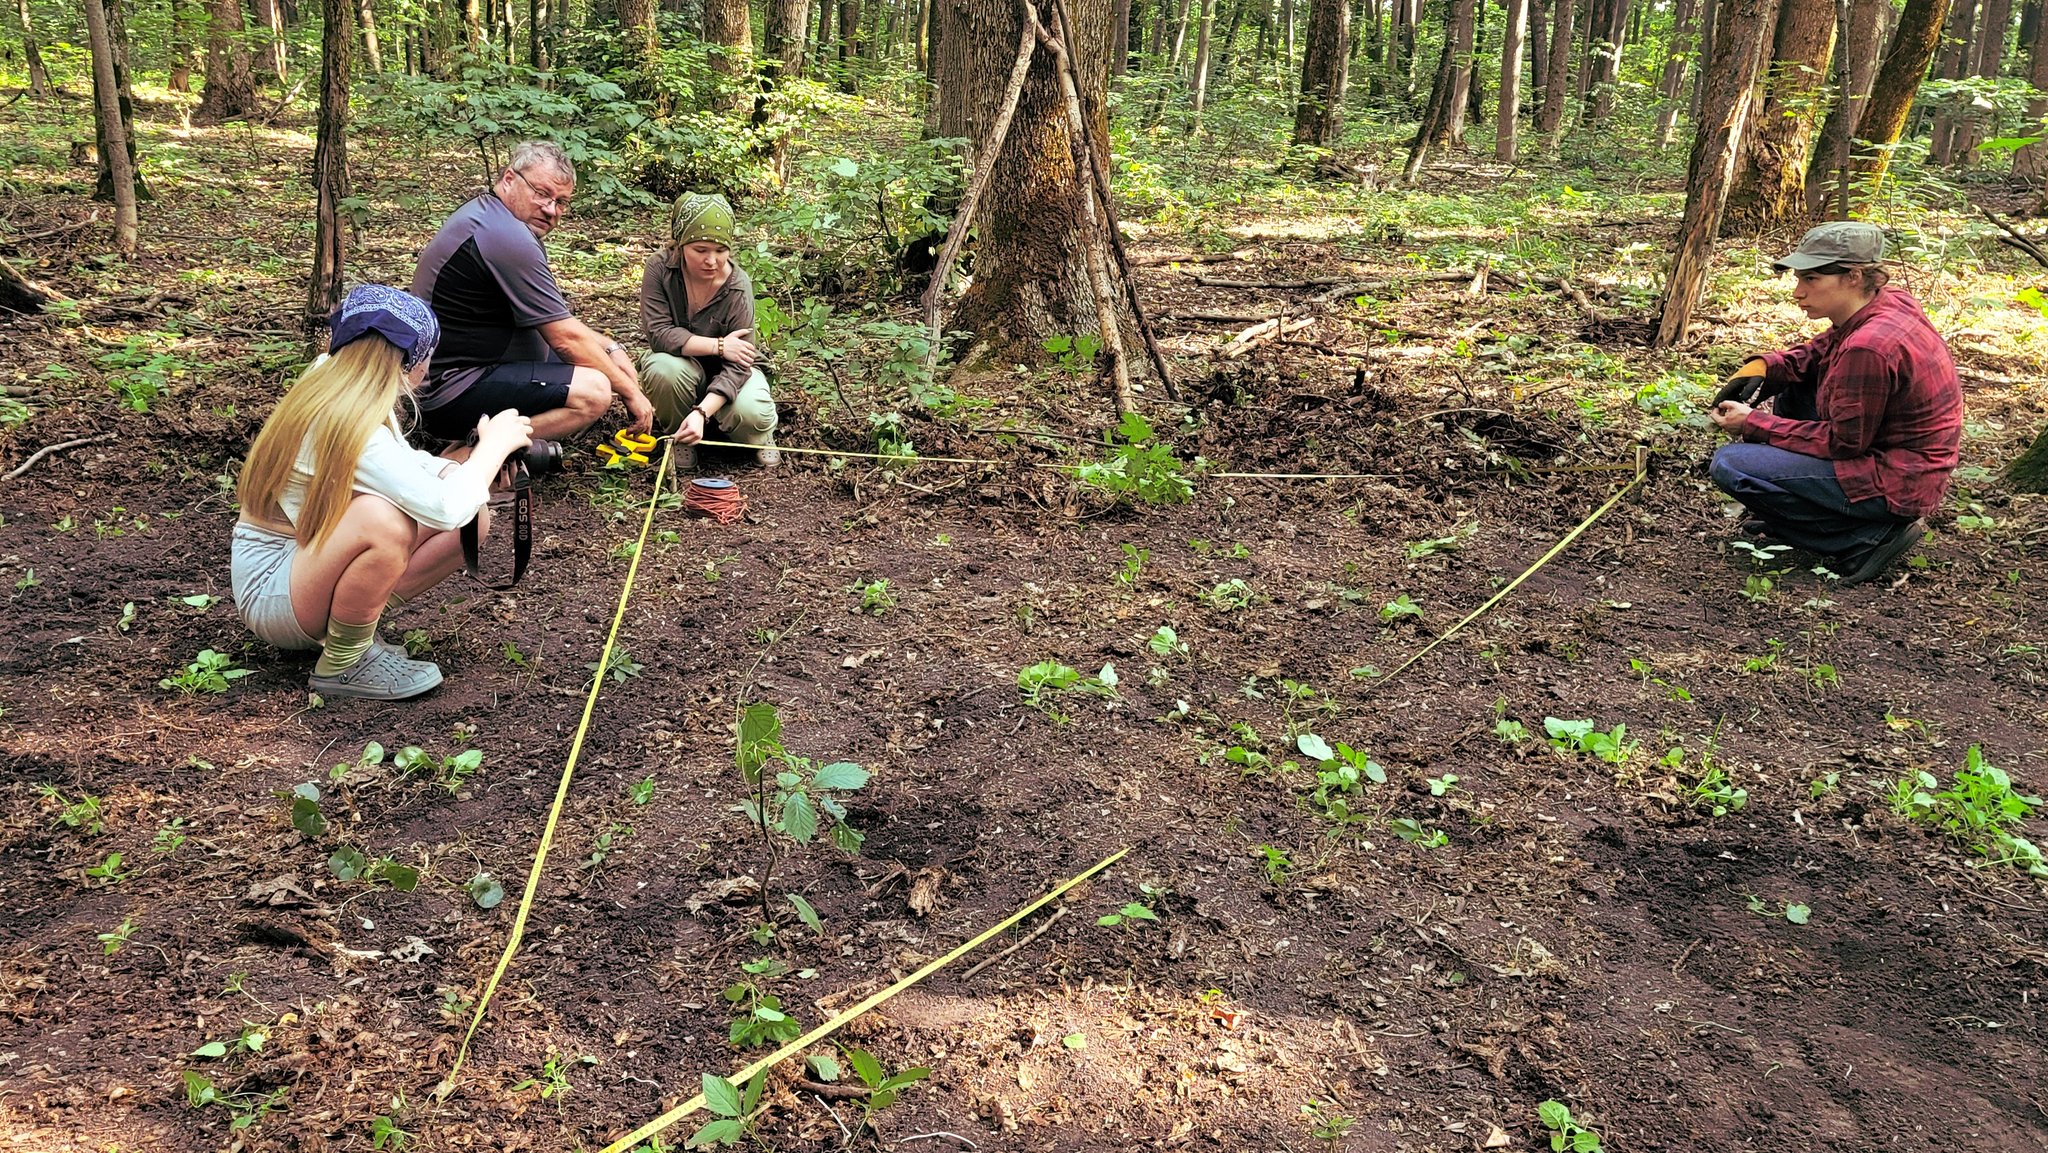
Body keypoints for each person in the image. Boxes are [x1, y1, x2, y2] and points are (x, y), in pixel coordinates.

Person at [232, 286, 535, 700]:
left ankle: (352, 629)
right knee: (382, 520)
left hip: (298, 569)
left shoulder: (334, 381)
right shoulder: (343, 419)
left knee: (472, 517)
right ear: (411, 363)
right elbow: (443, 508)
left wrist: (461, 469)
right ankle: (345, 661)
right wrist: (491, 449)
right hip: (272, 589)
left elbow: (403, 464)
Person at [1707, 222, 1962, 588]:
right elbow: (1821, 351)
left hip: (1895, 480)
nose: (1798, 292)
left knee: (1731, 464)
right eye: (1799, 278)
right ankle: (1826, 520)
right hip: (1900, 463)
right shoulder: (1886, 302)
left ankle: (1862, 538)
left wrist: (1752, 424)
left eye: (1811, 280)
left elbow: (1843, 444)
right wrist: (1766, 368)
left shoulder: (1869, 347)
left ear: (1854, 276)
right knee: (1793, 388)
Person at [411, 140, 654, 443]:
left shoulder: (491, 215)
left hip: (471, 369)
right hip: (450, 391)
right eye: (541, 194)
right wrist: (631, 393)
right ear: (509, 178)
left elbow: (556, 323)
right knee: (594, 392)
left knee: (597, 359)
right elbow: (565, 339)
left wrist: (610, 347)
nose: (551, 210)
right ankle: (473, 455)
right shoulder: (505, 236)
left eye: (561, 201)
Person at [638, 192, 780, 467]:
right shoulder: (659, 268)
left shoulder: (738, 286)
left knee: (752, 413)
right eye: (700, 250)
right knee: (663, 370)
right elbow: (658, 334)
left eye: (720, 251)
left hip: (731, 374)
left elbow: (740, 364)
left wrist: (702, 412)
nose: (711, 261)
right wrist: (720, 346)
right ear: (680, 245)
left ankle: (759, 436)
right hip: (682, 365)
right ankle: (678, 435)